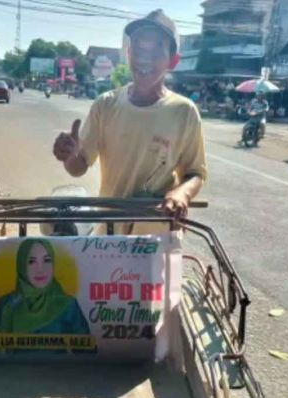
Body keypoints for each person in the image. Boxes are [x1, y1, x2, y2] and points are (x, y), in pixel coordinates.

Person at [52, 9, 207, 233]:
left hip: (158, 237)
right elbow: (78, 168)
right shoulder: (105, 105)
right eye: (139, 48)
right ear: (128, 52)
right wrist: (69, 156)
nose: (145, 58)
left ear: (172, 61)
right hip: (109, 236)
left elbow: (196, 173)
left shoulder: (184, 112)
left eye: (156, 51)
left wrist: (181, 193)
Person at [0, 239, 91, 353]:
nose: (40, 269)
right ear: (21, 265)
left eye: (47, 260)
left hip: (57, 370)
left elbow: (88, 354)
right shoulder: (5, 304)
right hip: (14, 370)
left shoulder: (67, 304)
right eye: (31, 261)